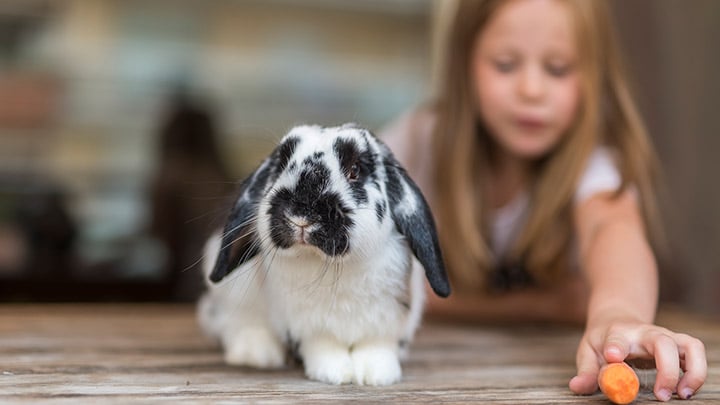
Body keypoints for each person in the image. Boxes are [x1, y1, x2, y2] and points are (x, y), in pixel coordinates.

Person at [381, 0, 706, 401]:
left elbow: (611, 227)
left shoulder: (595, 162)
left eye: (557, 69)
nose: (531, 91)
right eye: (504, 64)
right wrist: (546, 304)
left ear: (595, 76)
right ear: (464, 63)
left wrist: (618, 314)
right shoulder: (421, 140)